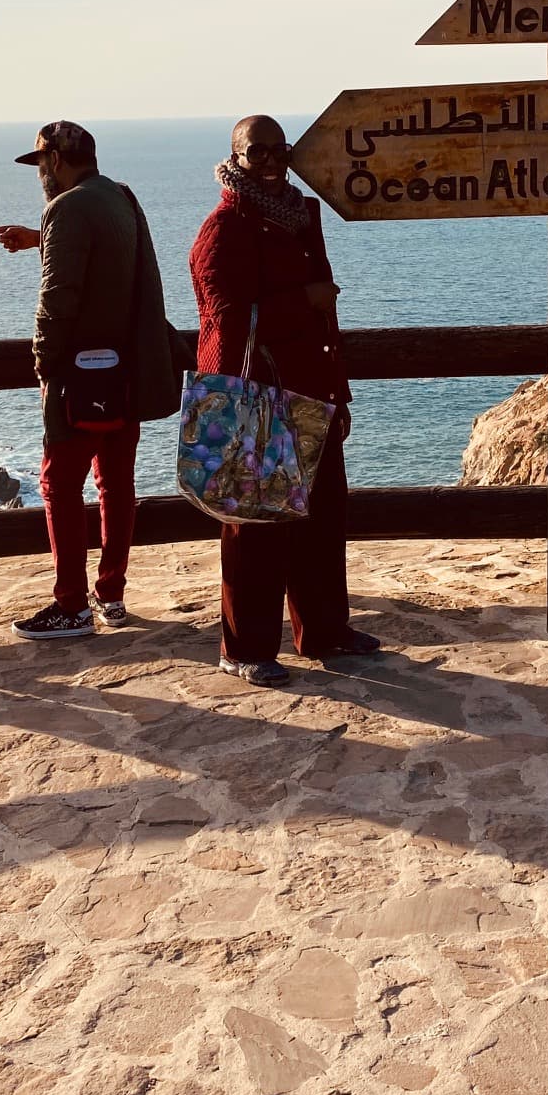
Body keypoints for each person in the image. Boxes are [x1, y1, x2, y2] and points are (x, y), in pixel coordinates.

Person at [189, 114, 381, 688]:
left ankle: (324, 631)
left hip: (309, 389)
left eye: (280, 150)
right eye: (258, 153)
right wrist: (304, 299)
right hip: (257, 400)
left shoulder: (298, 218)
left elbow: (326, 317)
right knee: (254, 527)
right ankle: (243, 647)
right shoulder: (222, 229)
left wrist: (338, 393)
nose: (271, 162)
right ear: (236, 158)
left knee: (322, 519)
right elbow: (222, 320)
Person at [0, 121, 180, 638]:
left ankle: (70, 604)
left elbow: (58, 299)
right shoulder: (119, 196)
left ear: (54, 159)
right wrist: (38, 240)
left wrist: (42, 361)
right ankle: (110, 595)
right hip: (128, 372)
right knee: (116, 484)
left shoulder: (65, 208)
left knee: (58, 484)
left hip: (80, 377)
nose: (39, 176)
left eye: (39, 164)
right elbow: (111, 266)